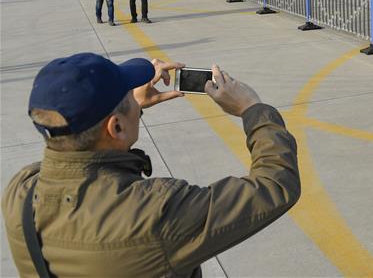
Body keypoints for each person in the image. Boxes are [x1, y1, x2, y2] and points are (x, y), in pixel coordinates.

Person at [2, 53, 300, 277]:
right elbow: (274, 185)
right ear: (115, 128)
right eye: (127, 98)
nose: (135, 97)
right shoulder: (153, 211)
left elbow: (76, 152)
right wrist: (252, 110)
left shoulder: (21, 191)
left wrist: (128, 111)